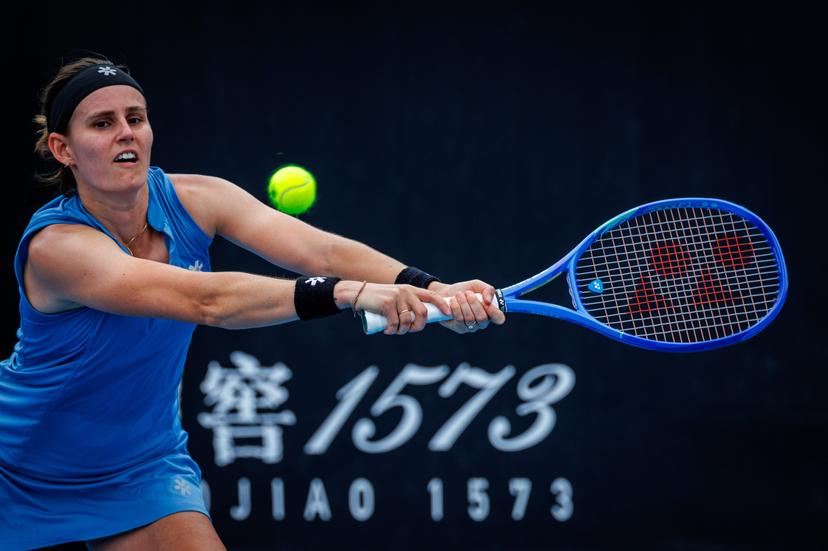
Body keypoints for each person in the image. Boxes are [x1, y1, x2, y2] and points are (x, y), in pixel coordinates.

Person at [0, 56, 505, 550]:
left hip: (140, 467)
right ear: (63, 149)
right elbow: (206, 301)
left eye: (136, 118)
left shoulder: (201, 199)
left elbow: (321, 250)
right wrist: (347, 291)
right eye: (103, 123)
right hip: (16, 466)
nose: (126, 133)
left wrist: (433, 289)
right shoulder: (57, 248)